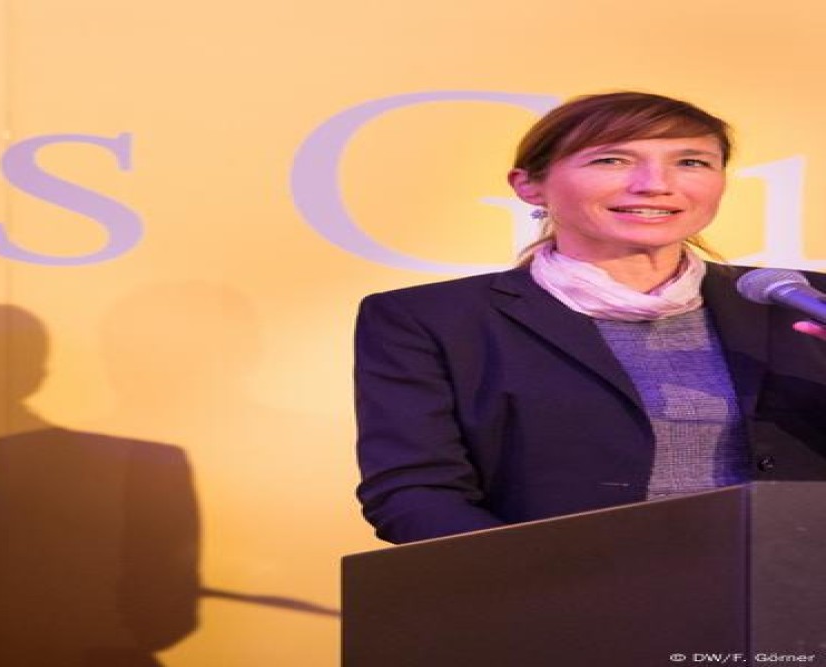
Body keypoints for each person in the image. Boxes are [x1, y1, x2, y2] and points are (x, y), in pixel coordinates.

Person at [354, 91, 826, 544]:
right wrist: (541, 579)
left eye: (691, 162)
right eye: (612, 160)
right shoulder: (431, 320)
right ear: (529, 185)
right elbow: (414, 493)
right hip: (557, 590)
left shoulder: (801, 302)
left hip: (794, 587)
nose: (655, 184)